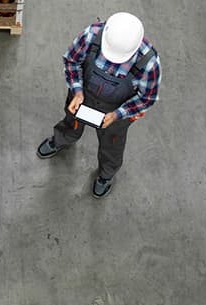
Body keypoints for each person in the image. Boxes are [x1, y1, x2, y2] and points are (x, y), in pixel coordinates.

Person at [36, 12, 161, 198]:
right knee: (71, 121)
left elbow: (146, 99)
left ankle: (106, 174)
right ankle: (62, 138)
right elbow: (72, 61)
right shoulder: (91, 35)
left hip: (116, 111)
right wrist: (77, 91)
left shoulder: (149, 64)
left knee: (112, 143)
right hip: (82, 96)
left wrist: (118, 114)